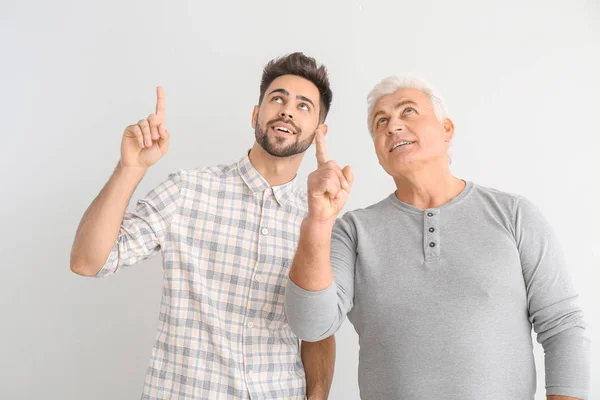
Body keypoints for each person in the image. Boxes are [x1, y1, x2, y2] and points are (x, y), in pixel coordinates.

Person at [284, 75, 591, 399]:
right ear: (377, 151)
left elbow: (563, 327)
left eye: (408, 112)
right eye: (381, 122)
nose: (392, 126)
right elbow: (311, 325)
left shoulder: (514, 215)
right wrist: (318, 222)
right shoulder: (353, 231)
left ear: (447, 129)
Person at [70, 52, 336, 400]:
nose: (287, 109)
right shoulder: (187, 190)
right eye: (277, 98)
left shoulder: (319, 219)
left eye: (303, 106)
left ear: (319, 132)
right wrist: (130, 168)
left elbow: (319, 329)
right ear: (256, 114)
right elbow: (88, 261)